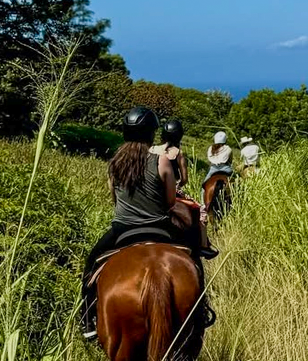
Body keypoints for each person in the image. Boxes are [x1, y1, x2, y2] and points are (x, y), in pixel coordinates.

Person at [79, 108, 212, 341]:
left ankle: (88, 319)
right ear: (152, 134)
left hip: (122, 229)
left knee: (90, 267)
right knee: (194, 261)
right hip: (159, 227)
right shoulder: (160, 160)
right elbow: (170, 201)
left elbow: (113, 199)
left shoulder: (114, 162)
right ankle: (202, 308)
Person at [150, 119, 218, 258]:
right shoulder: (178, 153)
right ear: (179, 136)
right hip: (172, 191)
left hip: (151, 190)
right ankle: (204, 245)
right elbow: (185, 178)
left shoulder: (152, 149)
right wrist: (177, 185)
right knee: (200, 210)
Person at [202, 131, 234, 198]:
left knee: (204, 187)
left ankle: (202, 204)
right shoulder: (228, 149)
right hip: (226, 169)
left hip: (213, 169)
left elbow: (210, 159)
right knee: (236, 183)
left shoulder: (211, 148)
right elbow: (230, 161)